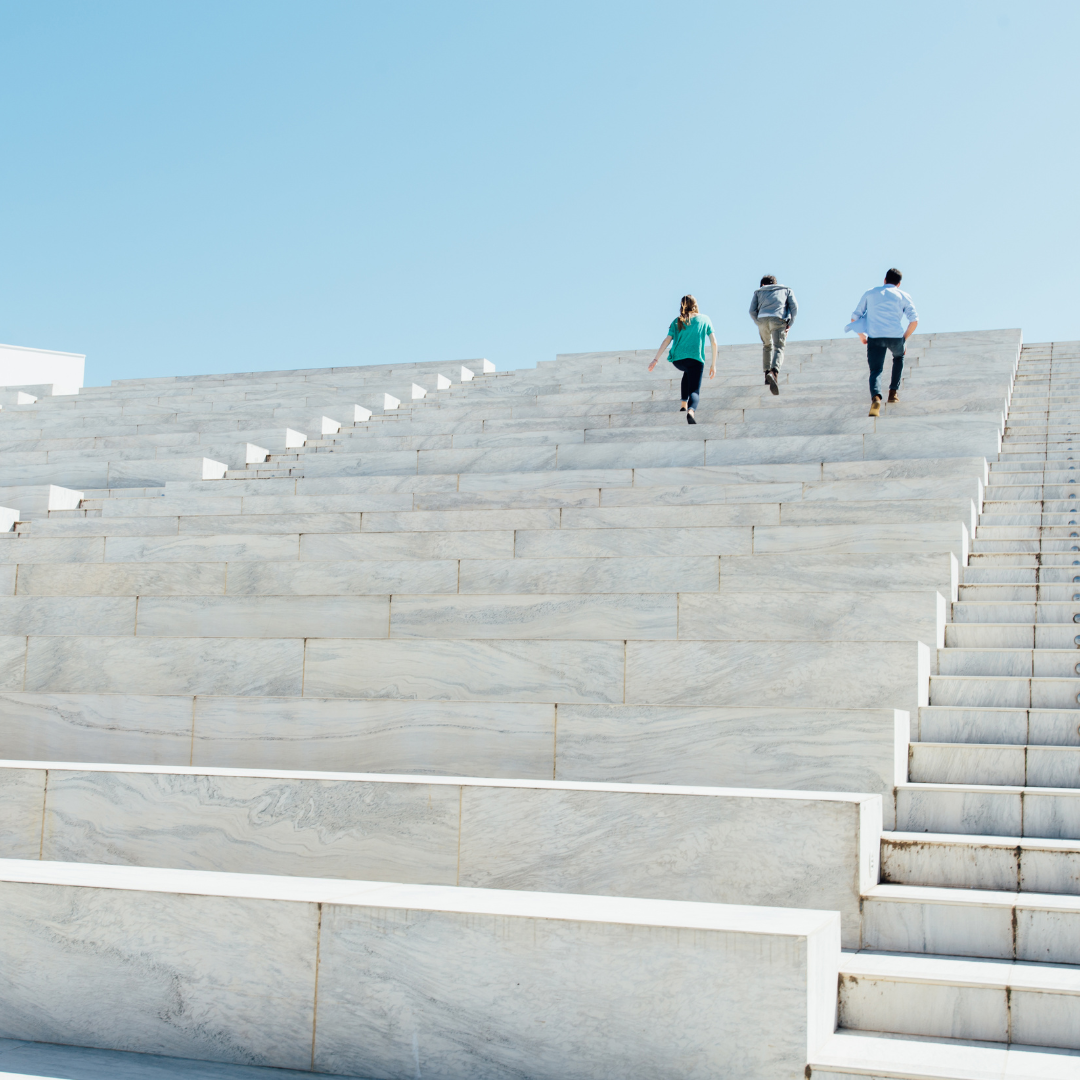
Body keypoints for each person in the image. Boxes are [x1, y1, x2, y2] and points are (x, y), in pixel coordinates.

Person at [847, 268, 919, 417]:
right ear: (898, 284)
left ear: (884, 280)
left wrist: (862, 336)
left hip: (875, 337)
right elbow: (914, 320)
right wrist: (904, 338)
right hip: (895, 336)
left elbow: (854, 317)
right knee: (899, 357)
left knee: (876, 370)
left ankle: (876, 398)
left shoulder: (870, 292)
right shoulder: (903, 295)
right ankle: (893, 393)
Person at [647, 294, 717, 424]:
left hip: (678, 360)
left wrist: (655, 360)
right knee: (695, 391)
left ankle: (683, 405)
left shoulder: (677, 320)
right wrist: (713, 364)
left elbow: (666, 340)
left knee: (687, 372)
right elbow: (713, 342)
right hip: (696, 359)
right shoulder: (705, 319)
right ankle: (691, 411)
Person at [749, 275, 797, 395]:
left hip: (762, 320)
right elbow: (794, 307)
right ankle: (774, 373)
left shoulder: (758, 292)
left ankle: (766, 374)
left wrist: (758, 321)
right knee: (779, 347)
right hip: (778, 319)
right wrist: (790, 323)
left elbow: (751, 310)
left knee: (767, 346)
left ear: (763, 285)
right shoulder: (786, 290)